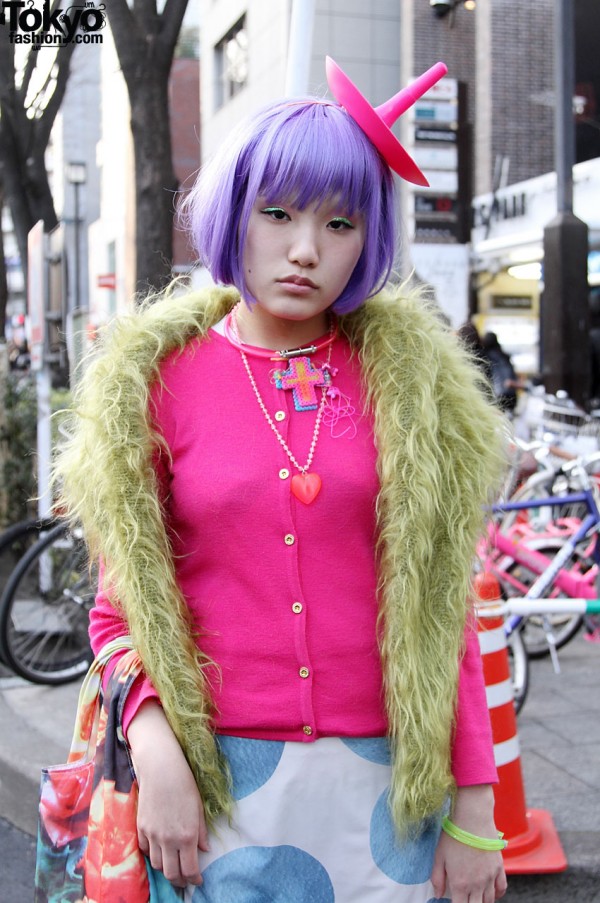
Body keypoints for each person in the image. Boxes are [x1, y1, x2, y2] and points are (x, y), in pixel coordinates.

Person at [55, 56, 508, 903]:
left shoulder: (407, 389)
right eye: (278, 213)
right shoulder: (159, 382)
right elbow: (121, 608)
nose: (306, 250)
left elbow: (448, 612)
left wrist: (474, 807)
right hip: (218, 786)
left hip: (387, 792)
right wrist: (158, 751)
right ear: (237, 213)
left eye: (341, 224)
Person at [481, 332, 519, 414]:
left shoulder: (486, 356)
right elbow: (508, 370)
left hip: (499, 393)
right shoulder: (503, 355)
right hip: (510, 392)